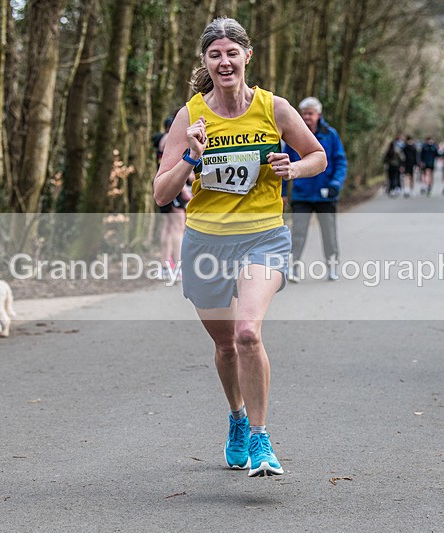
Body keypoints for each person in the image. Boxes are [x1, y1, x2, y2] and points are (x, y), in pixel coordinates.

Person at [153, 17, 326, 477]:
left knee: (249, 332)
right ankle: (237, 416)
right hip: (206, 240)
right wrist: (191, 156)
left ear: (248, 56)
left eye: (232, 53)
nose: (224, 61)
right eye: (215, 55)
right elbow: (161, 193)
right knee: (226, 345)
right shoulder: (190, 116)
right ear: (206, 62)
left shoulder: (275, 108)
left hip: (264, 235)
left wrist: (294, 170)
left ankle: (261, 438)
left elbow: (317, 156)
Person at [282, 97, 347, 282]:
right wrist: (283, 192)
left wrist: (335, 185)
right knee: (298, 232)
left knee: (329, 232)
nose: (307, 117)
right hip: (302, 194)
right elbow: (285, 163)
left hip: (326, 194)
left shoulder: (330, 135)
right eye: (304, 114)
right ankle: (293, 267)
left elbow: (340, 162)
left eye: (310, 113)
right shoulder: (296, 134)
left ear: (318, 114)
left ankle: (332, 265)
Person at [152, 116, 190, 280]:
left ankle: (164, 266)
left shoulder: (162, 139)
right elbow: (172, 166)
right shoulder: (171, 140)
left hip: (163, 184)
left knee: (167, 227)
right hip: (173, 187)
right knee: (178, 226)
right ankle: (178, 266)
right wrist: (182, 190)